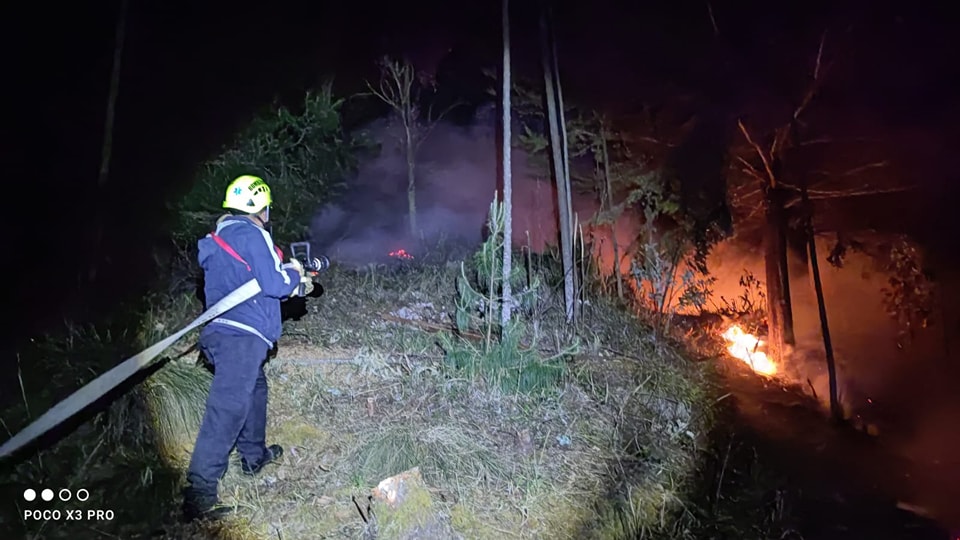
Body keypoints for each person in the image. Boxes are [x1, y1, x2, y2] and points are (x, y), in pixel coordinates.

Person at [182, 174, 313, 522]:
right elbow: (275, 283)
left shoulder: (220, 236)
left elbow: (245, 281)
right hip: (242, 336)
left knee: (254, 388)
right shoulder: (254, 234)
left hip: (221, 334)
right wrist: (295, 273)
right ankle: (199, 492)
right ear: (261, 208)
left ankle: (253, 457)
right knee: (227, 408)